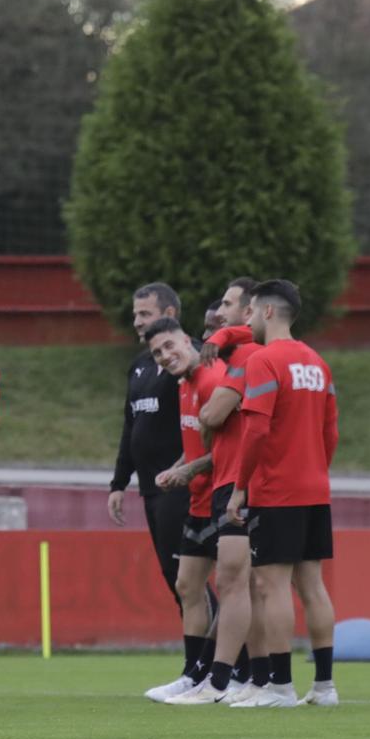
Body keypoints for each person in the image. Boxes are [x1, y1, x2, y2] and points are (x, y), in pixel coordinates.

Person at [225, 279, 340, 708]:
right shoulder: (318, 364)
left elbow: (255, 431)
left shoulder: (264, 361)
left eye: (251, 312)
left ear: (269, 312)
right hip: (315, 487)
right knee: (312, 587)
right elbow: (331, 432)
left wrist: (240, 488)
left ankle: (280, 687)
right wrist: (315, 468)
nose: (247, 319)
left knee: (271, 584)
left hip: (277, 489)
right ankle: (325, 687)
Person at [107, 282, 217, 696]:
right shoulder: (141, 365)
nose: (137, 321)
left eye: (146, 314)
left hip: (185, 487)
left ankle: (213, 667)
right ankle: (205, 668)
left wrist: (186, 471)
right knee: (179, 580)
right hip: (153, 490)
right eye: (135, 315)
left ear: (171, 313)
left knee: (192, 582)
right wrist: (119, 482)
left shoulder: (191, 364)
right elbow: (130, 428)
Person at [167, 276, 262, 706]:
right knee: (230, 584)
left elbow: (217, 417)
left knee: (245, 584)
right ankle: (239, 678)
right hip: (223, 487)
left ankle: (224, 678)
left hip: (235, 487)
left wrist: (193, 467)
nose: (215, 324)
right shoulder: (206, 371)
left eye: (225, 307)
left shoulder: (235, 362)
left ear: (250, 311)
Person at [135, 323, 232, 703]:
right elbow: (195, 446)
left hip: (223, 500)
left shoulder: (212, 381)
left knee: (234, 590)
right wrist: (178, 467)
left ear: (188, 342)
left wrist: (186, 471)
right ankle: (193, 674)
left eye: (169, 345)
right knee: (188, 586)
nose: (165, 355)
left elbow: (230, 450)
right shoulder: (184, 386)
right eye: (158, 352)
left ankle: (221, 673)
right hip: (198, 499)